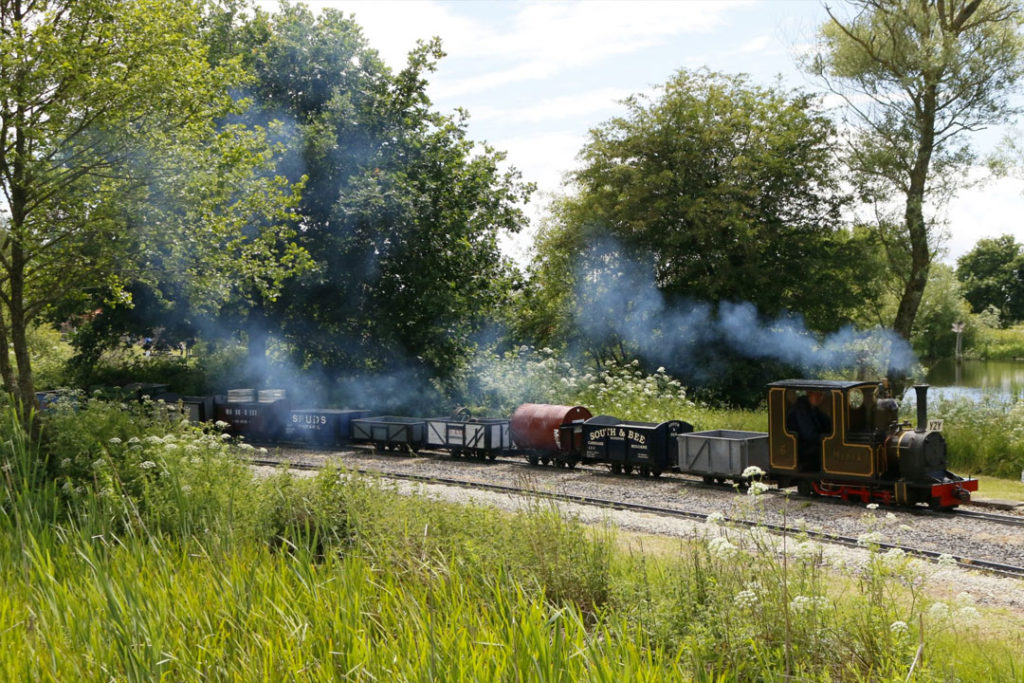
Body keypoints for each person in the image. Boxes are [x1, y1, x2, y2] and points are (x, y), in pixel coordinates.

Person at [786, 389, 831, 471]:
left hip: (809, 444)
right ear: (809, 393)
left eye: (821, 395)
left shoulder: (813, 409)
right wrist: (827, 440)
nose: (820, 397)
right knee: (827, 452)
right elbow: (809, 435)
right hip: (801, 448)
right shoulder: (800, 409)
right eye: (817, 394)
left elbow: (827, 424)